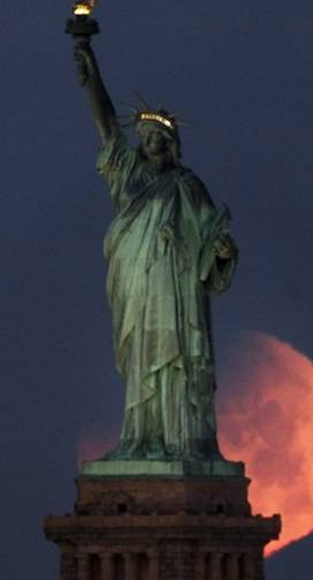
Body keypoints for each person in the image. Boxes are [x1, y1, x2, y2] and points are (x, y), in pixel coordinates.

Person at [74, 42, 238, 460]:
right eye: (145, 139)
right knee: (143, 355)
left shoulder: (187, 185)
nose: (151, 145)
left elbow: (211, 239)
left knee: (177, 356)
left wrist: (221, 250)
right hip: (137, 279)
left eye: (159, 140)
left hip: (177, 285)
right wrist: (91, 67)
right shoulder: (126, 172)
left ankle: (183, 440)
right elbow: (107, 124)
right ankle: (142, 437)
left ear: (172, 145)